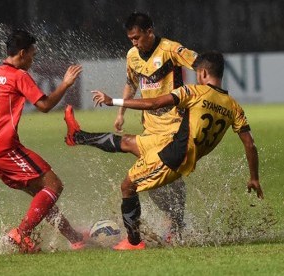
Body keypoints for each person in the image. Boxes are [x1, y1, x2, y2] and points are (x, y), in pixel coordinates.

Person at [66, 51, 263, 250]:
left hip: (173, 157)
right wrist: (254, 177)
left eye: (197, 73)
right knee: (128, 142)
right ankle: (77, 136)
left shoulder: (194, 92)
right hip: (171, 145)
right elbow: (250, 144)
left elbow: (154, 103)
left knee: (127, 187)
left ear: (202, 73)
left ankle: (134, 242)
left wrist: (113, 101)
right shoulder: (234, 107)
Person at [66, 12, 199, 242]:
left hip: (174, 127)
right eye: (131, 39)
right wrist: (120, 113)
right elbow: (131, 83)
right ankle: (176, 227)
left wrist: (206, 95)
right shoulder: (132, 56)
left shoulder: (170, 49)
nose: (134, 43)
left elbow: (202, 64)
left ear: (150, 31)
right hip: (152, 127)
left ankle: (156, 234)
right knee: (161, 182)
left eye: (137, 37)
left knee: (146, 170)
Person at [0, 30, 86, 253]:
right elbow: (45, 106)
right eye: (32, 54)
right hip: (6, 148)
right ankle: (20, 234)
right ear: (22, 53)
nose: (33, 59)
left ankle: (76, 238)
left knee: (44, 197)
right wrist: (65, 84)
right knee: (54, 186)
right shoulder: (18, 75)